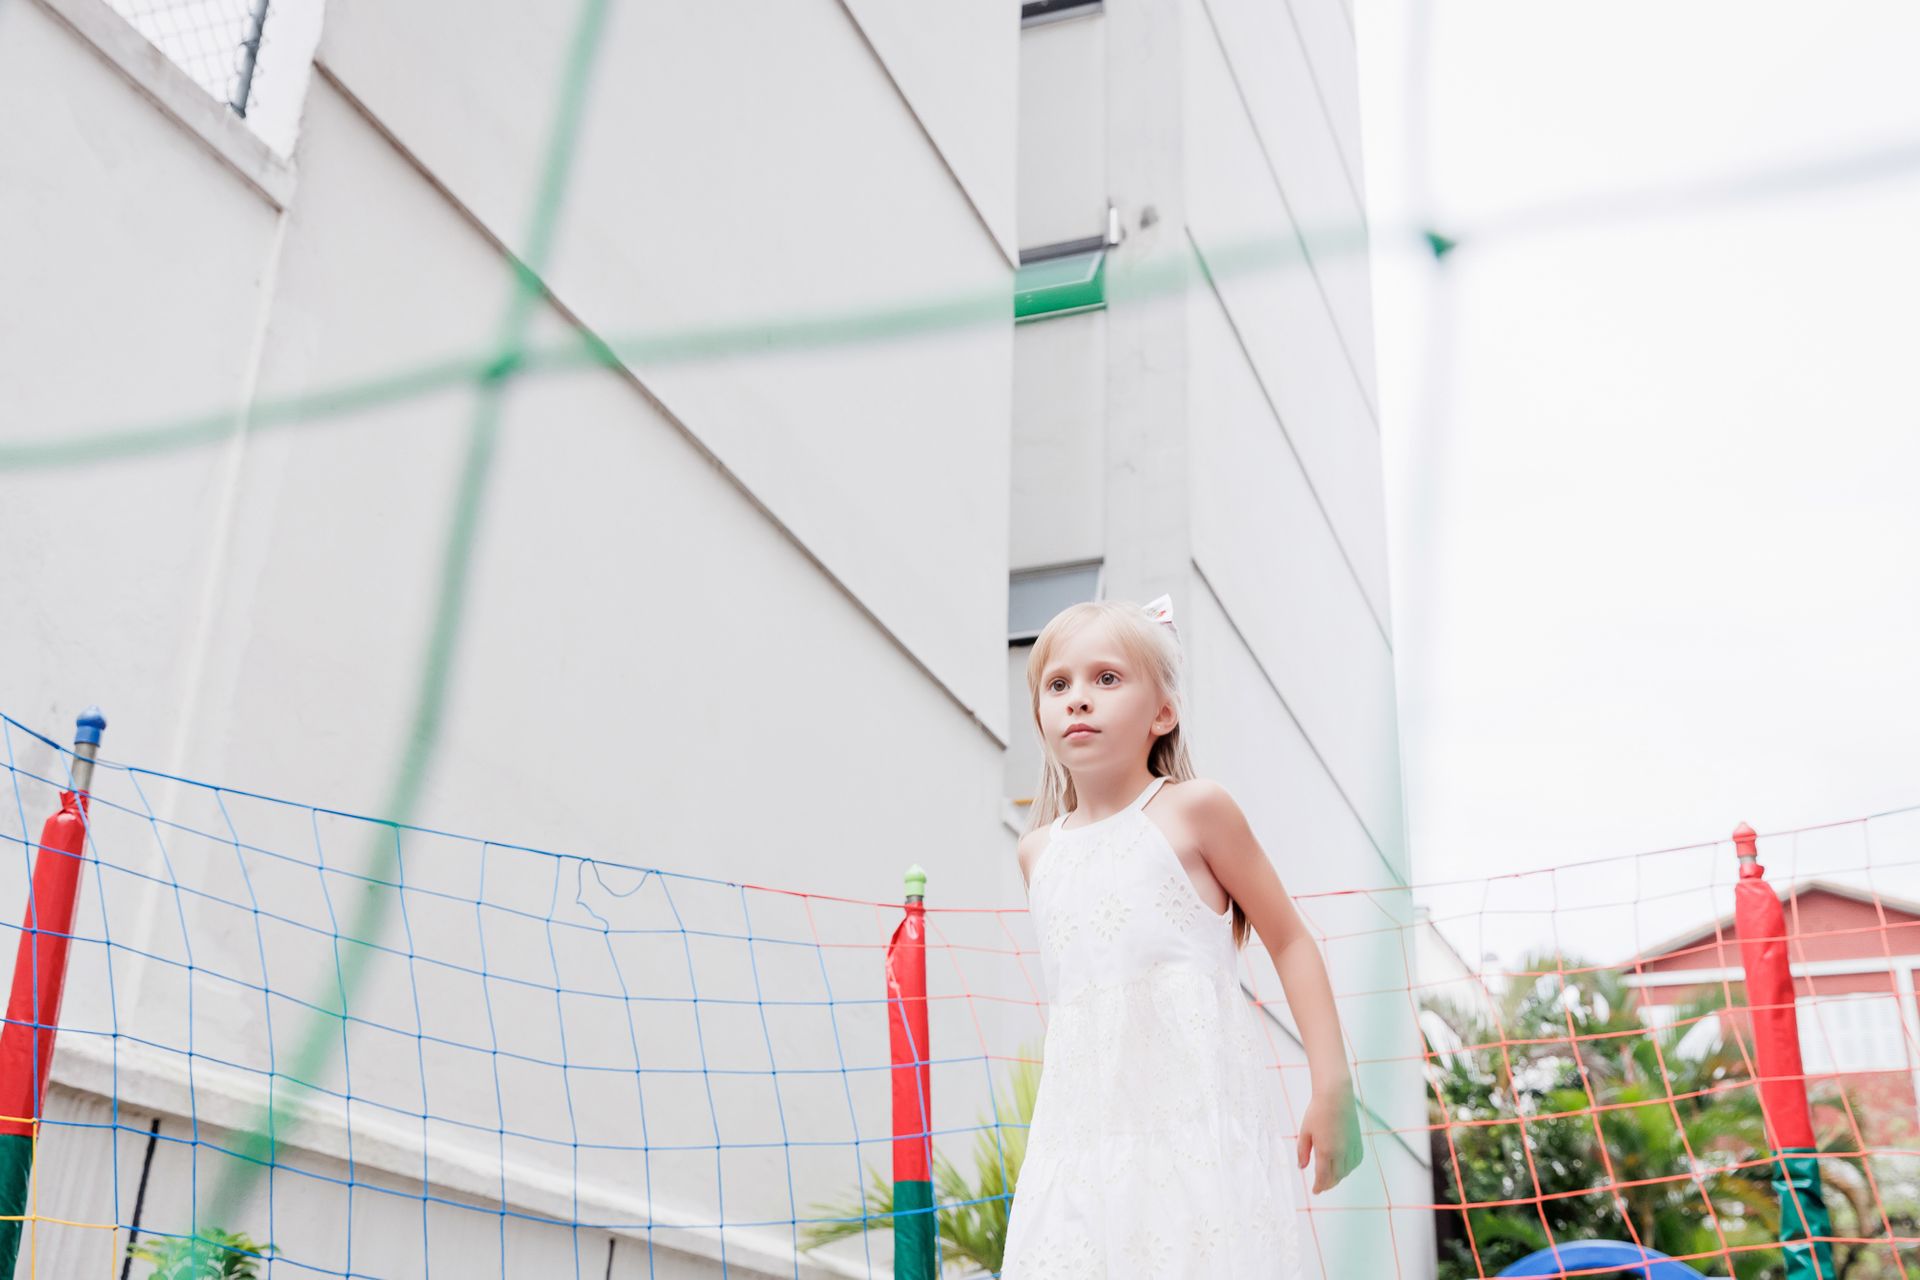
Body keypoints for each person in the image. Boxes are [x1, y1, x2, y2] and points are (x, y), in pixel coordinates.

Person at [999, 594, 1363, 1277]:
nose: (1079, 698)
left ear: (1162, 713)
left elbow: (1288, 939)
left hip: (1194, 1133)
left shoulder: (1196, 810)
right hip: (1079, 1145)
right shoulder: (1037, 852)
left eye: (1107, 678)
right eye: (1058, 684)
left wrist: (1332, 1085)